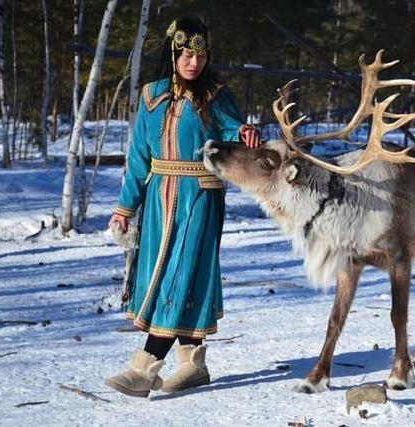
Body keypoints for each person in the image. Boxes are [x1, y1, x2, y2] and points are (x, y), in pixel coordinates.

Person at [105, 16, 260, 398]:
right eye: (187, 54)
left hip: (200, 197)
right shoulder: (150, 96)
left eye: (201, 55)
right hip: (158, 200)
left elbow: (233, 131)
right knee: (172, 277)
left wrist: (244, 132)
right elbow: (139, 158)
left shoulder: (216, 97)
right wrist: (125, 208)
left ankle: (144, 369)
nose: (194, 63)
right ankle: (192, 364)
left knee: (180, 274)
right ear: (174, 53)